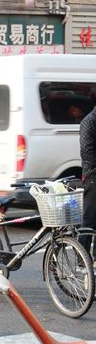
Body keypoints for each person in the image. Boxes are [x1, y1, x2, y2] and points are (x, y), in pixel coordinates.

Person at [79, 96, 96, 261]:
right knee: (89, 221)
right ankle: (82, 260)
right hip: (93, 176)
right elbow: (87, 150)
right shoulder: (89, 121)